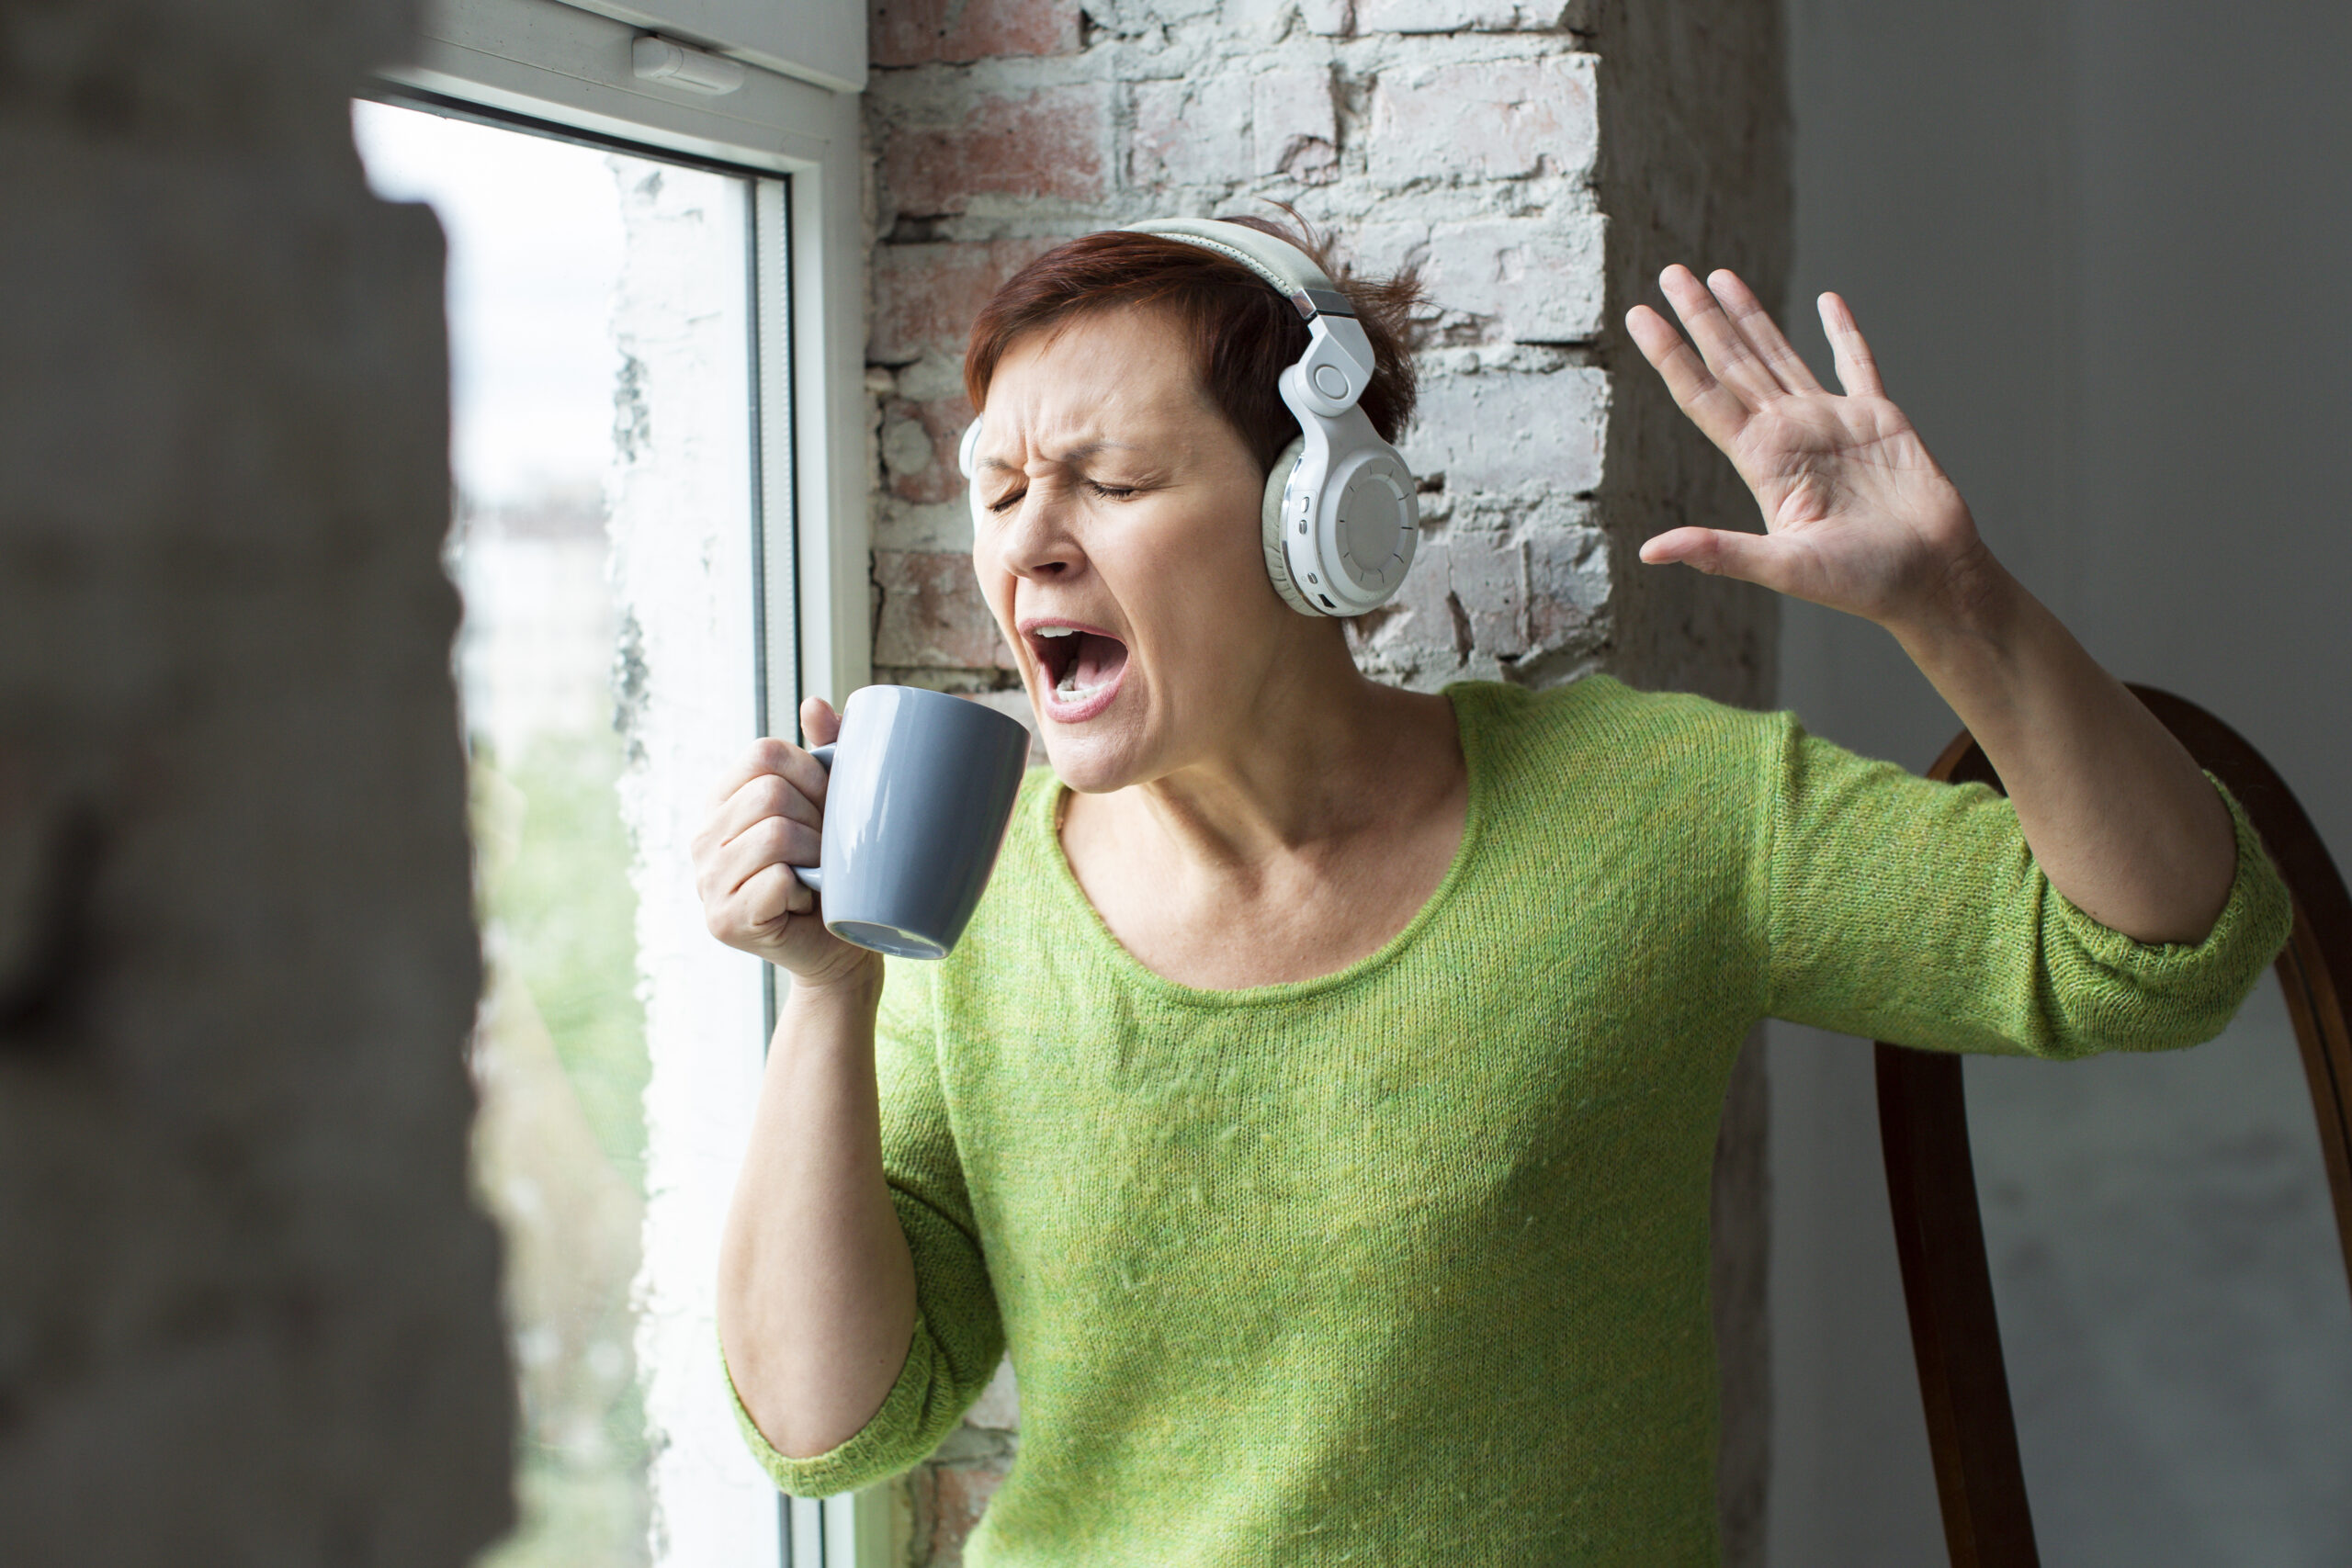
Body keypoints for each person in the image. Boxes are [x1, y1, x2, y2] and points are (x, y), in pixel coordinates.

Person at [692, 217, 2290, 1563]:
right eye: (998, 490)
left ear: (1323, 519)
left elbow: (2158, 949)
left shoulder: (1653, 814)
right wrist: (831, 992)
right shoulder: (970, 908)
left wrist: (1961, 610)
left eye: (1107, 483)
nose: (1027, 545)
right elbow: (833, 1424)